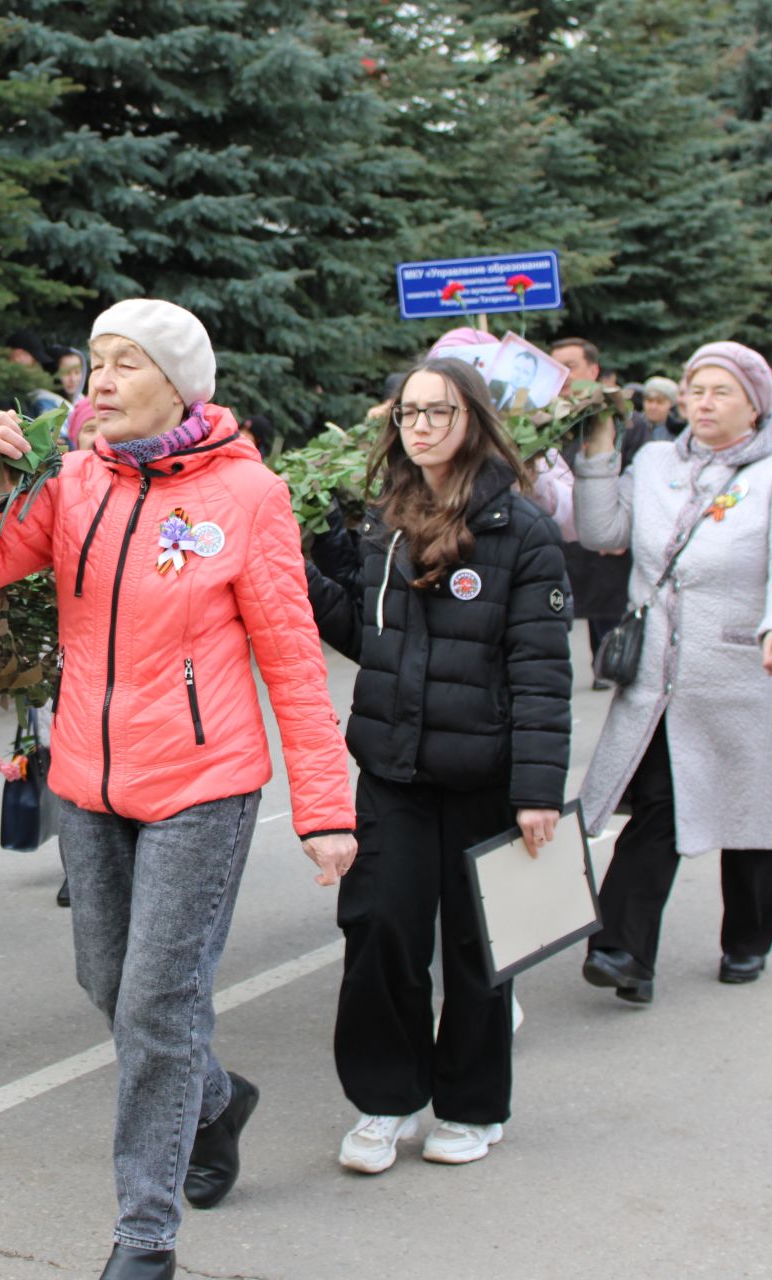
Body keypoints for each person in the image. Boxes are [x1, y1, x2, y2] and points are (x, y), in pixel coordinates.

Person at [0, 300, 358, 1280]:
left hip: (204, 781)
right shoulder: (74, 479)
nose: (101, 381)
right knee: (108, 984)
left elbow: (293, 661)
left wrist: (327, 806)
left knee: (159, 1000)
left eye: (125, 364)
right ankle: (213, 1097)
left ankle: (146, 1233)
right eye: (95, 363)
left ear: (179, 382)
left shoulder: (246, 494)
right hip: (87, 774)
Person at [303, 358, 571, 1174]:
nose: (419, 427)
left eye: (438, 412)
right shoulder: (386, 518)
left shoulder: (521, 530)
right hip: (393, 774)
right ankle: (385, 1102)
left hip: (486, 778)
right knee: (381, 932)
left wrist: (536, 792)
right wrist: (303, 575)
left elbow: (540, 670)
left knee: (478, 950)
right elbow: (369, 637)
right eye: (409, 414)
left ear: (474, 421)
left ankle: (470, 1105)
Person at [573, 341, 772, 1004]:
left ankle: (747, 940)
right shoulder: (657, 460)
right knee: (660, 801)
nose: (704, 403)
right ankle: (623, 949)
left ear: (753, 403)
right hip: (660, 677)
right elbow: (603, 528)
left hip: (744, 670)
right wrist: (599, 451)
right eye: (695, 390)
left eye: (721, 391)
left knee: (748, 816)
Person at [550, 337, 644, 689]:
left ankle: (612, 659)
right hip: (566, 537)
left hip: (608, 533)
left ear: (594, 370)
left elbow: (633, 468)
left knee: (609, 604)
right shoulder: (545, 418)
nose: (565, 376)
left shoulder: (620, 417)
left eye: (570, 366)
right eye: (557, 367)